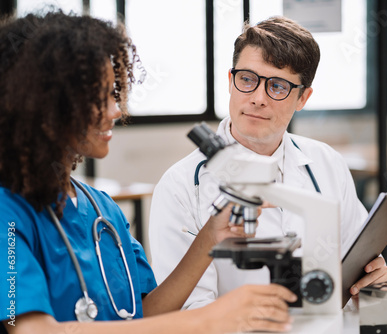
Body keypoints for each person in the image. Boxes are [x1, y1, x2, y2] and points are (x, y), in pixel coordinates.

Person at [0, 11, 297, 334]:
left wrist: (210, 237)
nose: (117, 110)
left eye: (115, 93)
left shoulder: (103, 210)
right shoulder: (7, 213)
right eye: (98, 98)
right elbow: (29, 330)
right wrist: (212, 318)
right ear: (42, 105)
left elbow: (145, 318)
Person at [149, 16, 387, 310]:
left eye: (277, 86)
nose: (258, 98)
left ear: (303, 98)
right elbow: (189, 310)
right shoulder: (181, 186)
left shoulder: (326, 162)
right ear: (230, 80)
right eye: (247, 79)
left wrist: (370, 281)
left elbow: (357, 264)